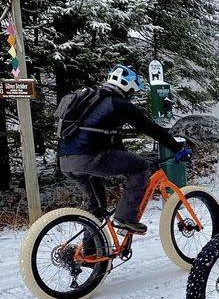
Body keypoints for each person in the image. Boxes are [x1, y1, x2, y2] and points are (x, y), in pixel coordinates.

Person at [59, 65, 190, 234]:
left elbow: (113, 143)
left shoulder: (92, 100)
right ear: (127, 86)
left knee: (97, 210)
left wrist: (128, 158)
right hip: (90, 157)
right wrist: (177, 148)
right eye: (132, 91)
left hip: (66, 161)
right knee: (140, 167)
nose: (131, 96)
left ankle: (91, 255)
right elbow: (150, 128)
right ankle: (125, 218)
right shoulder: (118, 104)